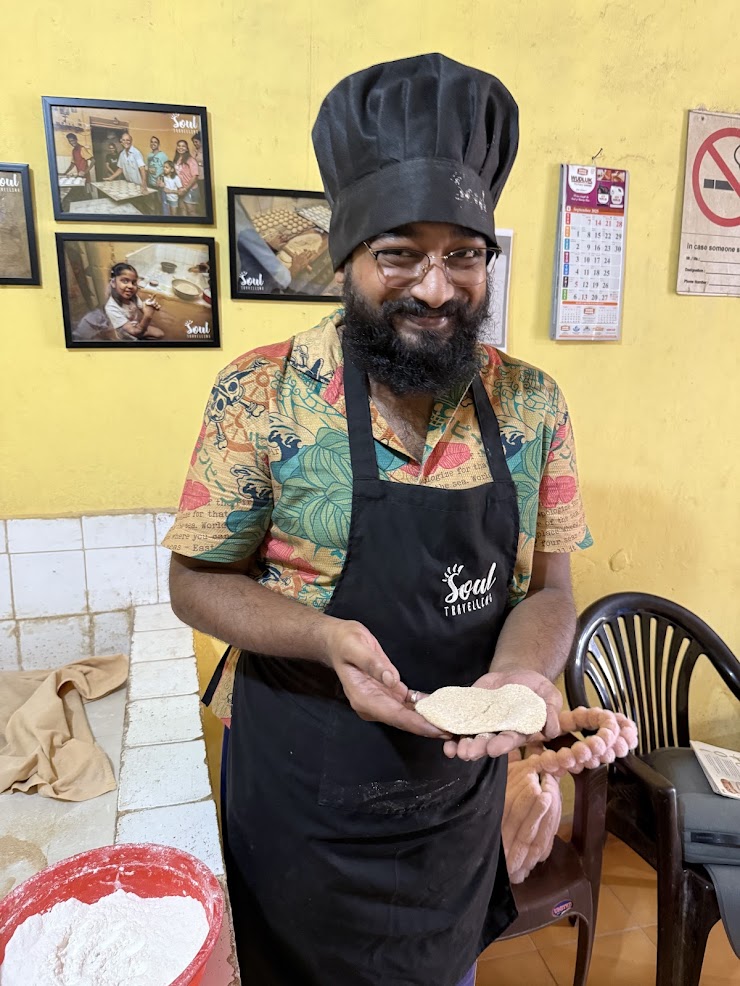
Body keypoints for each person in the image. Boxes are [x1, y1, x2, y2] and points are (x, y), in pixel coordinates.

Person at [165, 53, 592, 986]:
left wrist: (522, 677)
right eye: (399, 252)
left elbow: (551, 591)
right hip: (303, 797)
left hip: (458, 795)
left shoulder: (533, 406)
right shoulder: (260, 394)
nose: (435, 288)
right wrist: (324, 638)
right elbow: (194, 582)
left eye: (463, 254)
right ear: (345, 259)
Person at [104, 263, 165, 340]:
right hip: (126, 335)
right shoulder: (111, 308)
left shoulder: (133, 297)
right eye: (125, 281)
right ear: (113, 283)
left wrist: (148, 304)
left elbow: (143, 308)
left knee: (160, 334)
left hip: (136, 326)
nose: (130, 286)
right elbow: (134, 332)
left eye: (133, 282)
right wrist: (148, 316)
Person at [173, 139, 200, 216]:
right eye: (179, 146)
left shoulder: (191, 160)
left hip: (190, 189)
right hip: (181, 189)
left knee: (191, 211)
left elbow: (195, 176)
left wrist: (185, 189)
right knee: (182, 209)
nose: (180, 148)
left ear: (187, 149)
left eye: (183, 146)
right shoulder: (176, 159)